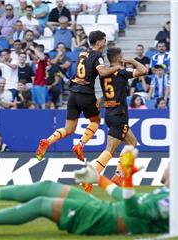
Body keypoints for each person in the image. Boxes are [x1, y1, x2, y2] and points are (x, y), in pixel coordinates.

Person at [0, 146, 178, 236]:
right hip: (107, 210)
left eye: (170, 164)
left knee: (42, 204)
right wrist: (98, 178)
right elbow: (126, 199)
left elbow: (132, 209)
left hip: (103, 220)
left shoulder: (170, 203)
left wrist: (129, 178)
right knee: (47, 187)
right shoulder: (165, 196)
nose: (166, 166)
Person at [35, 31, 123, 164]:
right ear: (99, 42)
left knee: (69, 129)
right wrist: (117, 67)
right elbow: (103, 72)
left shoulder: (82, 53)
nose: (105, 44)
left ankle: (47, 141)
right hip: (86, 94)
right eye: (104, 41)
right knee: (95, 121)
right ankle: (80, 145)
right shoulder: (97, 56)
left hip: (73, 94)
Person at [89, 48, 147, 190]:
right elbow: (144, 70)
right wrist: (132, 61)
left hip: (109, 113)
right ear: (119, 57)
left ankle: (118, 177)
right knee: (110, 150)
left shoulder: (104, 74)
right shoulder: (121, 72)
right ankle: (91, 176)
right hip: (119, 115)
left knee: (132, 143)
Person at [30, 44, 48, 109]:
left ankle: (44, 116)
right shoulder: (38, 60)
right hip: (36, 83)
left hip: (41, 84)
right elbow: (36, 58)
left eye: (36, 51)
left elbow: (42, 57)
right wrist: (31, 54)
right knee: (36, 102)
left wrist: (33, 49)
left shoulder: (44, 58)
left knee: (42, 103)